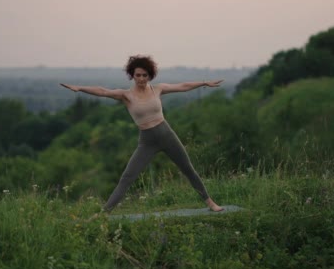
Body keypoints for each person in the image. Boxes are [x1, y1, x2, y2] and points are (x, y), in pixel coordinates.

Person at [60, 55, 224, 212]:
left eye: (145, 75)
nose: (141, 78)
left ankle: (210, 203)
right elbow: (103, 91)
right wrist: (80, 88)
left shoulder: (157, 89)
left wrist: (204, 83)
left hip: (167, 135)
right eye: (138, 75)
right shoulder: (126, 96)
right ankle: (104, 213)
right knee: (127, 178)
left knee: (188, 169)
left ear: (150, 75)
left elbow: (182, 86)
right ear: (132, 75)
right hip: (147, 142)